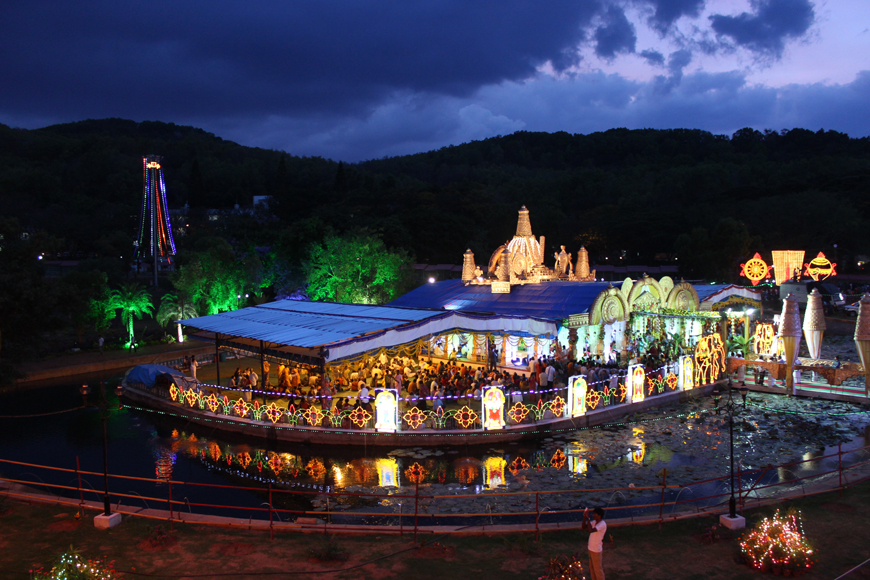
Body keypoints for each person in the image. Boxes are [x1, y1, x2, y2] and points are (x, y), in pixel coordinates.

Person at [583, 507, 607, 580]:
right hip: (590, 548)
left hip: (596, 550)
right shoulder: (594, 522)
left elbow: (591, 530)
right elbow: (583, 527)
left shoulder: (602, 524)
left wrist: (588, 518)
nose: (593, 515)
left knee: (597, 569)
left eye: (595, 514)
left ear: (599, 515)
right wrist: (584, 517)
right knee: (592, 568)